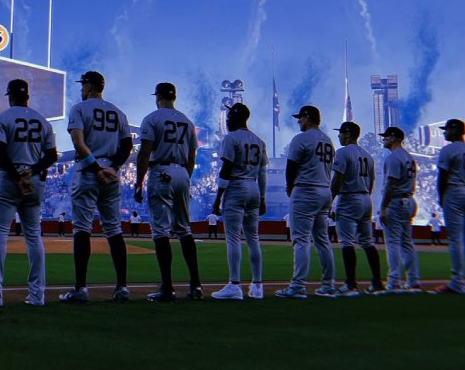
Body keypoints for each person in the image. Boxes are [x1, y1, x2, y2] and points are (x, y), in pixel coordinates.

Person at [0, 78, 58, 308]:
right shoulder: (43, 121)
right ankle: (37, 295)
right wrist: (29, 172)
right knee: (34, 236)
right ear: (27, 97)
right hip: (34, 180)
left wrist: (16, 176)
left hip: (10, 179)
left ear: (10, 95)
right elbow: (52, 156)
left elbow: (0, 152)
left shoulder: (3, 117)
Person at [60, 70, 133, 304]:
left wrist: (96, 169)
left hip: (89, 171)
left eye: (83, 85)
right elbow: (127, 145)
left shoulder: (79, 109)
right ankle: (122, 287)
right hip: (111, 174)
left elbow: (78, 143)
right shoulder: (118, 112)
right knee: (114, 229)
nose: (82, 89)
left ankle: (80, 288)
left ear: (90, 86)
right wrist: (113, 168)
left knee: (82, 227)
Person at [135, 82, 203, 302]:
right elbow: (192, 158)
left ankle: (167, 288)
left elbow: (145, 153)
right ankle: (196, 286)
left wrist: (139, 181)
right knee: (184, 229)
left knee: (161, 231)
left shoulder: (152, 118)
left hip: (161, 169)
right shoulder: (187, 121)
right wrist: (184, 178)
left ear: (158, 97)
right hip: (183, 172)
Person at [278, 106, 337, 298]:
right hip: (324, 190)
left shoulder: (301, 139)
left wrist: (289, 187)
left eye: (301, 118)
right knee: (322, 240)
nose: (298, 121)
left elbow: (291, 167)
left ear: (308, 118)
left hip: (306, 189)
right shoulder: (328, 140)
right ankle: (328, 284)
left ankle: (298, 285)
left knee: (301, 239)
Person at [210, 103, 267, 300]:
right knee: (253, 238)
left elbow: (226, 169)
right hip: (254, 187)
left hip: (236, 187)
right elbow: (262, 173)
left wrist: (218, 198)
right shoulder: (259, 141)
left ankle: (235, 284)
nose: (226, 120)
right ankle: (258, 285)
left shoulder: (231, 138)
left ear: (236, 117)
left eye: (229, 116)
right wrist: (263, 197)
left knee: (233, 238)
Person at [329, 121, 383, 296]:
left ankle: (351, 284)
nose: (339, 136)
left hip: (349, 197)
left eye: (340, 133)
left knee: (346, 241)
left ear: (347, 134)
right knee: (367, 242)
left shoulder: (343, 152)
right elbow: (372, 181)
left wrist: (329, 200)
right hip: (365, 196)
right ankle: (377, 282)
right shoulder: (367, 155)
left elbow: (338, 179)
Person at [435, 119, 465, 294]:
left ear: (455, 131)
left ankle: (457, 282)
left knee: (456, 239)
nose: (445, 132)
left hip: (455, 191)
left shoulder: (448, 149)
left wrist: (441, 197)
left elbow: (443, 176)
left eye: (447, 129)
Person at [379, 127, 421, 293]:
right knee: (407, 243)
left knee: (393, 243)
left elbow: (391, 184)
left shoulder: (394, 157)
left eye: (386, 137)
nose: (384, 139)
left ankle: (394, 281)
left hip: (396, 201)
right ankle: (413, 280)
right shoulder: (409, 157)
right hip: (409, 199)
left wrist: (383, 207)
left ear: (394, 137)